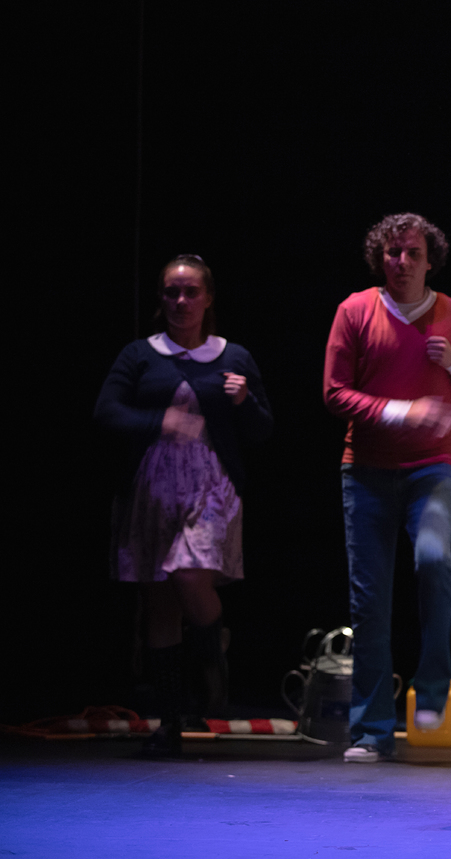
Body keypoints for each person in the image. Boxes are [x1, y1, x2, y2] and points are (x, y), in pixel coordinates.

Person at [323, 213, 451, 762]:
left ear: (430, 261)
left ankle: (432, 686)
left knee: (433, 559)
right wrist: (402, 411)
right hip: (366, 471)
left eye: (413, 254)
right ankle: (371, 731)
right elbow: (334, 392)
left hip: (433, 466)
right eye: (393, 253)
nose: (402, 262)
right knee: (370, 602)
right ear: (380, 258)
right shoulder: (355, 310)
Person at [95, 254, 273, 756]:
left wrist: (244, 401)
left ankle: (213, 649)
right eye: (171, 292)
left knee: (191, 575)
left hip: (211, 486)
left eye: (191, 291)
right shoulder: (140, 354)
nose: (180, 301)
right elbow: (106, 411)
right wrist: (160, 422)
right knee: (160, 602)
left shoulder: (233, 356)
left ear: (208, 298)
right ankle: (170, 721)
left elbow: (263, 430)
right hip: (152, 488)